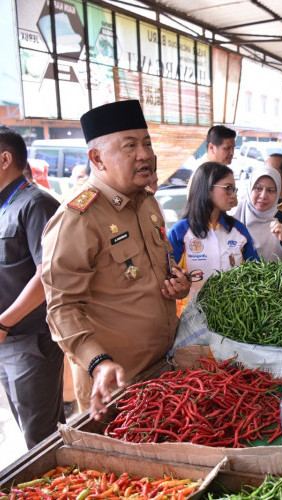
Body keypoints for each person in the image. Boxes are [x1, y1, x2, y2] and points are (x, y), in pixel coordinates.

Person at [41, 100, 191, 420]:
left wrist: (177, 283)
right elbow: (61, 308)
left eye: (147, 143)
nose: (145, 154)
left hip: (165, 367)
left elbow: (157, 266)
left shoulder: (149, 203)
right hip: (116, 383)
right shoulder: (76, 218)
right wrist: (98, 362)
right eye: (130, 146)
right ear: (97, 158)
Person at [0, 126, 64, 448]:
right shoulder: (3, 207)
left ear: (5, 159)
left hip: (30, 340)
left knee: (42, 438)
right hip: (6, 340)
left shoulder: (36, 203)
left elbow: (47, 275)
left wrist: (4, 321)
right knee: (31, 431)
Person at [168, 161, 259, 300]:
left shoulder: (239, 231)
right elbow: (168, 278)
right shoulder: (180, 232)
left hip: (234, 316)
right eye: (228, 188)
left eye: (234, 189)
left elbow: (257, 273)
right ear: (207, 188)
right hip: (192, 316)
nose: (233, 195)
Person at [234, 165, 282, 261]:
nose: (263, 196)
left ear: (277, 194)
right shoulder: (234, 217)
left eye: (270, 190)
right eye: (258, 188)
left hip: (275, 276)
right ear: (250, 188)